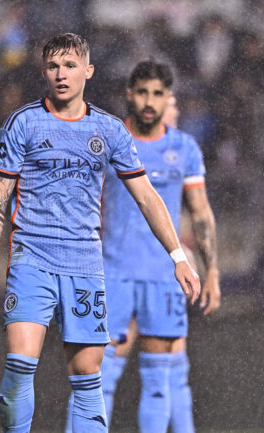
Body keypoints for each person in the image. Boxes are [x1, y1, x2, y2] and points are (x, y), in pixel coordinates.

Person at [0, 34, 201, 433]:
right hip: (32, 259)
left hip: (85, 265)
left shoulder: (109, 130)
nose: (62, 75)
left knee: (88, 374)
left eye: (71, 66)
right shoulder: (23, 123)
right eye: (55, 67)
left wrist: (178, 256)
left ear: (88, 71)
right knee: (20, 362)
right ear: (44, 72)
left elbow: (147, 197)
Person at [67, 61, 221, 433]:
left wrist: (212, 269)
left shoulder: (183, 148)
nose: (149, 101)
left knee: (159, 381)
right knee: (94, 377)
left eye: (157, 94)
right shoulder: (107, 140)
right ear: (129, 94)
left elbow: (200, 212)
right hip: (112, 273)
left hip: (163, 276)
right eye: (142, 92)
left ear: (168, 97)